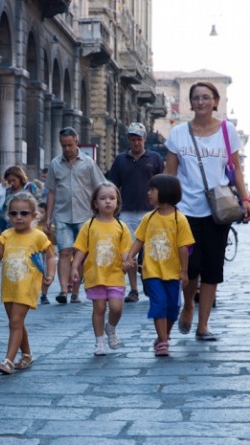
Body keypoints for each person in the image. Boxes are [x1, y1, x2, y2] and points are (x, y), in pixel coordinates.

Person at [164, 81, 250, 341]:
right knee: (190, 267)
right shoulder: (178, 134)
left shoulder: (228, 131)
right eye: (196, 98)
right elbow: (169, 174)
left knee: (212, 268)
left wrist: (245, 198)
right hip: (184, 211)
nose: (201, 102)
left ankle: (203, 325)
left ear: (215, 101)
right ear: (190, 103)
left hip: (218, 210)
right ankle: (189, 304)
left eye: (206, 97)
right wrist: (165, 206)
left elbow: (236, 168)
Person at [124, 174, 194, 356]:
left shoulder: (180, 220)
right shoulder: (149, 218)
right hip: (152, 271)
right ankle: (163, 341)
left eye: (152, 190)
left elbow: (183, 248)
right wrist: (130, 256)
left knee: (173, 307)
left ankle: (165, 334)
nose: (148, 193)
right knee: (159, 303)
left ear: (164, 192)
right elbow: (139, 240)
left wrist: (184, 272)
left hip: (172, 272)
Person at [0, 193, 54, 374]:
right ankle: (26, 354)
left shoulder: (38, 236)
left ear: (34, 216)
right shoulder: (6, 235)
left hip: (27, 287)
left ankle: (8, 360)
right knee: (16, 322)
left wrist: (50, 274)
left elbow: (50, 257)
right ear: (8, 216)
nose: (18, 217)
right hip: (10, 286)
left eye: (24, 213)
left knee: (15, 321)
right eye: (14, 213)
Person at [44, 126, 106, 304]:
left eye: (70, 145)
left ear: (76, 142)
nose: (67, 149)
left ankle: (75, 292)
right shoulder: (55, 164)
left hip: (84, 216)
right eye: (63, 145)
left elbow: (99, 187)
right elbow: (51, 192)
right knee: (64, 252)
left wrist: (100, 213)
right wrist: (48, 217)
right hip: (62, 215)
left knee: (81, 254)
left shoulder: (88, 163)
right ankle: (63, 290)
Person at [71, 182, 132, 356]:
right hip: (95, 275)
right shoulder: (89, 225)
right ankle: (99, 341)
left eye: (111, 198)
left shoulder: (121, 227)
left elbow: (125, 251)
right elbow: (81, 249)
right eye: (103, 198)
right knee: (98, 309)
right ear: (95, 203)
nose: (107, 202)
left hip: (115, 275)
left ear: (117, 203)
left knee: (116, 308)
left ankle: (111, 328)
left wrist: (127, 263)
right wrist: (75, 267)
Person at [107, 122, 164, 303]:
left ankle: (150, 282)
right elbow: (113, 186)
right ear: (129, 140)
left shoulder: (154, 159)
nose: (136, 143)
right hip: (128, 213)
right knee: (129, 252)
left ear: (144, 139)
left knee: (150, 252)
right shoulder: (120, 160)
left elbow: (163, 184)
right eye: (133, 139)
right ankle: (133, 289)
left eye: (139, 139)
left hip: (151, 212)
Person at [0, 165, 40, 231]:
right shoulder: (8, 191)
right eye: (9, 181)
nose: (11, 183)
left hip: (28, 224)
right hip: (11, 225)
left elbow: (37, 204)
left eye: (14, 180)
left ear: (20, 178)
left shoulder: (29, 187)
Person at [36, 202, 55, 304]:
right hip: (35, 254)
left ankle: (44, 295)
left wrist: (49, 233)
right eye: (37, 212)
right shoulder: (32, 226)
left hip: (46, 254)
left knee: (46, 275)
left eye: (42, 212)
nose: (39, 214)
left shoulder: (49, 227)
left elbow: (54, 241)